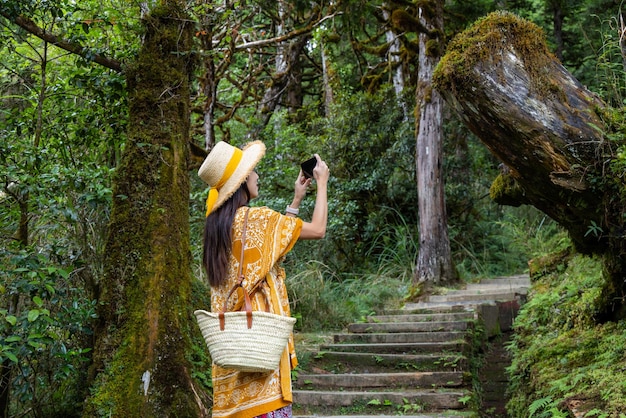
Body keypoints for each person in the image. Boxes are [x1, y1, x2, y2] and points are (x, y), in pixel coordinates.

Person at [197, 140, 329, 418]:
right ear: (242, 180)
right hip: (260, 347)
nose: (257, 175)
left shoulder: (215, 227)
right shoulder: (259, 219)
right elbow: (317, 229)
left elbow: (269, 251)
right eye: (253, 170)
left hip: (232, 355)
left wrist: (296, 200)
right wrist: (323, 182)